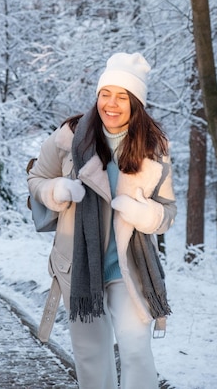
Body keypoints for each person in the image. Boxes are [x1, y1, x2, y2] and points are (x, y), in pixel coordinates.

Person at [28, 52, 176, 389]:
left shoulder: (154, 147)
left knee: (137, 354)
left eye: (122, 96)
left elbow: (167, 211)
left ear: (135, 103)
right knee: (92, 357)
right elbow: (36, 179)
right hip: (79, 267)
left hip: (129, 267)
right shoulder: (69, 136)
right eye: (105, 93)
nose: (111, 103)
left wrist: (144, 214)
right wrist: (57, 190)